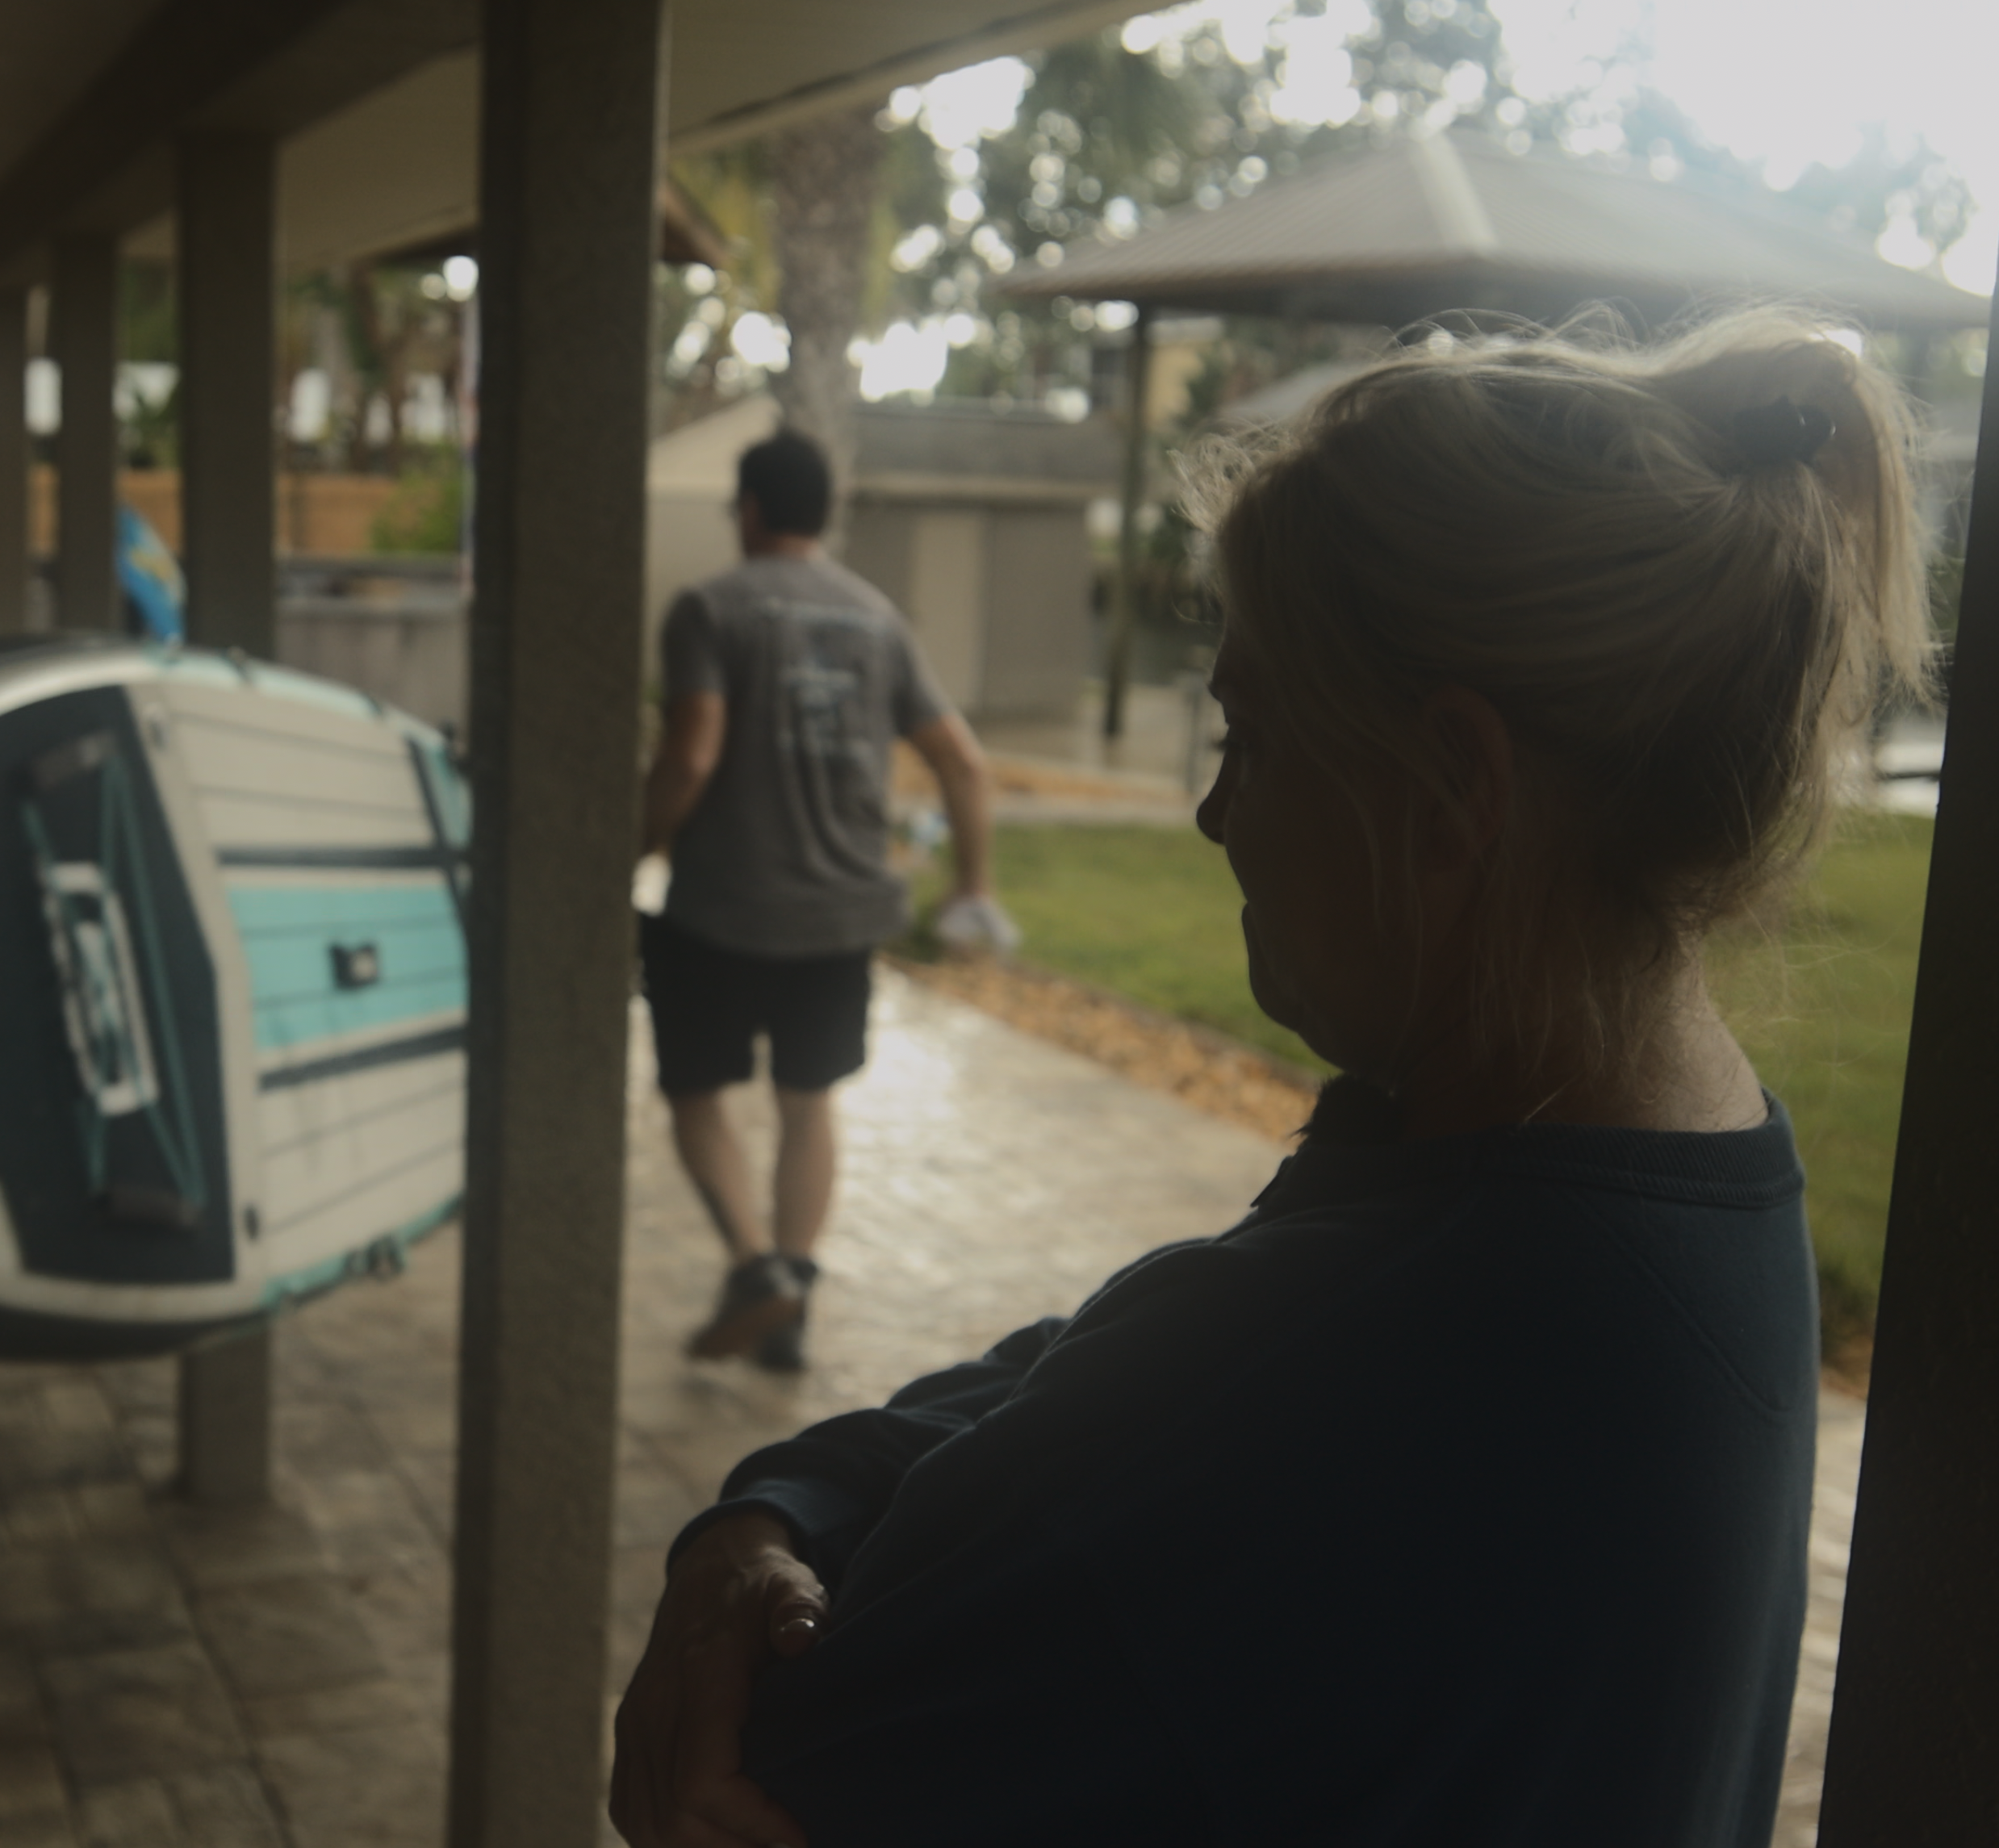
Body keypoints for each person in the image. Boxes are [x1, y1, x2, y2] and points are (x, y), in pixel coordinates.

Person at [612, 307, 1928, 1846]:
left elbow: (736, 1776)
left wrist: (750, 1548)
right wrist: (781, 1501)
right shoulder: (1674, 1162)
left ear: (1452, 781)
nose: (1215, 817)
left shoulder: (1362, 1362)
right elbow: (1104, 1366)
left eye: (1252, 731)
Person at [639, 429, 1008, 1372]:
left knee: (695, 1092)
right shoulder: (875, 617)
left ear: (752, 509)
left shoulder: (707, 609)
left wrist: (631, 846)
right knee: (810, 1102)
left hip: (722, 908)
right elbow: (962, 761)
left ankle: (757, 1267)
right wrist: (972, 885)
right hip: (844, 913)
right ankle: (794, 1287)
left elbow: (690, 753)